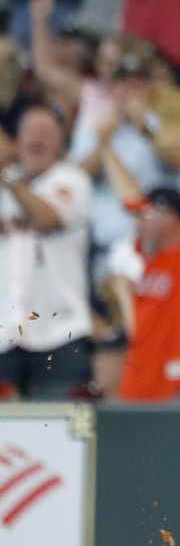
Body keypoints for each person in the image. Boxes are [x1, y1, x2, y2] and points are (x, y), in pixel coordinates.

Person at [102, 135, 180, 402]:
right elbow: (129, 195)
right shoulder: (148, 260)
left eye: (148, 213)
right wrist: (106, 145)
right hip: (137, 387)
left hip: (178, 388)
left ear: (173, 217)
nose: (140, 220)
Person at [0, 104, 94, 398]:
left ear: (60, 142)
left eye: (46, 134)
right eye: (30, 133)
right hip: (6, 332)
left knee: (57, 424)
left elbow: (45, 217)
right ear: (17, 141)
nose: (37, 141)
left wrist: (10, 177)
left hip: (60, 331)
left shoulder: (72, 181)